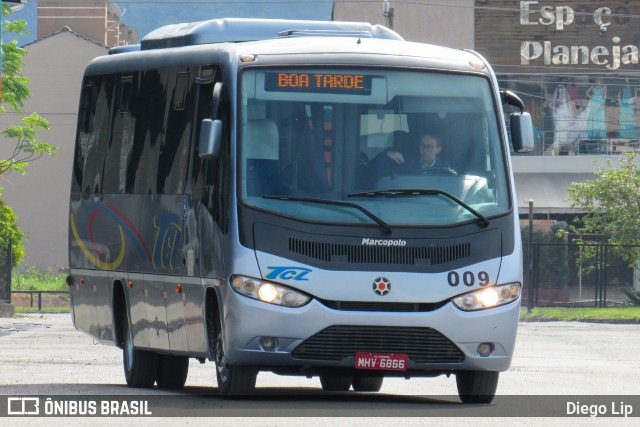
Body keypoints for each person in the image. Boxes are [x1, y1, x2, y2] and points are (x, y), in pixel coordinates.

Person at [385, 133, 454, 173]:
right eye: (422, 145)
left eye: (429, 146)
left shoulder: (446, 170)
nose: (424, 150)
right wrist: (387, 154)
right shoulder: (407, 165)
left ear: (438, 149)